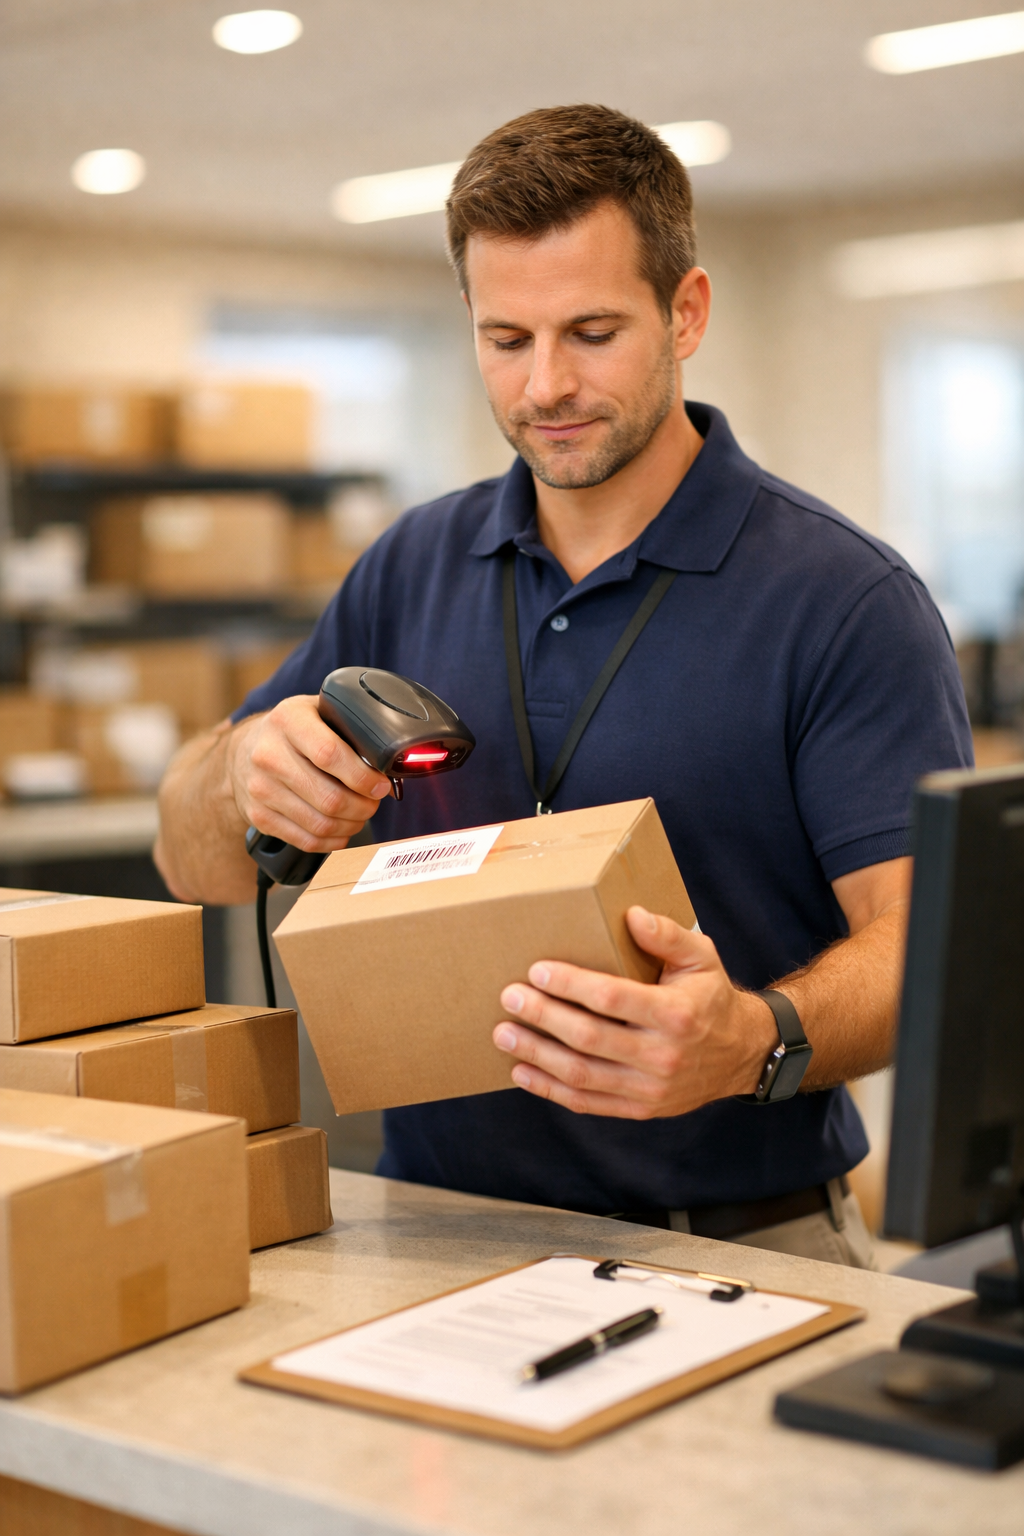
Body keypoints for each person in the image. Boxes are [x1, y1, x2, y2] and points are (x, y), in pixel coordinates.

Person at [155, 104, 972, 1266]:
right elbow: (192, 861)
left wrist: (753, 1035)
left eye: (591, 332)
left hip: (741, 1245)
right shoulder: (412, 564)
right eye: (506, 339)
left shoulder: (841, 599)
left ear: (684, 313)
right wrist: (242, 774)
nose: (545, 386)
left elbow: (923, 945)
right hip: (427, 1233)